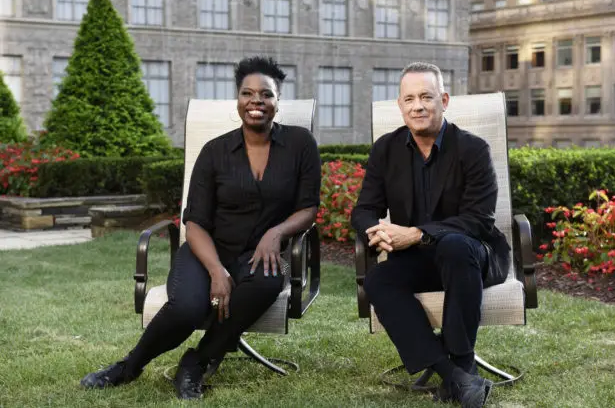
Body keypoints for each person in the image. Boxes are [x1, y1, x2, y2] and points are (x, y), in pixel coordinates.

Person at [80, 56, 321, 400]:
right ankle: (129, 366)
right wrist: (216, 271)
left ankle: (196, 362)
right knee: (187, 307)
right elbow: (194, 223)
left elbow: (308, 208)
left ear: (277, 101)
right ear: (237, 99)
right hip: (205, 249)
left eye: (266, 94)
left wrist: (276, 233)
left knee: (266, 283)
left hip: (258, 254)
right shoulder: (214, 152)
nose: (256, 101)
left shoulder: (300, 145)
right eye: (247, 93)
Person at [351, 62, 511, 408]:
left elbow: (479, 220)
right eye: (409, 99)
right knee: (379, 279)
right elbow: (364, 209)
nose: (417, 106)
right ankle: (455, 377)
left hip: (472, 255)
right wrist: (377, 232)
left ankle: (462, 360)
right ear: (400, 106)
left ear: (444, 100)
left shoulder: (473, 149)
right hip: (418, 260)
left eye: (426, 96)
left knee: (453, 245)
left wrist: (418, 234)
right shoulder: (386, 149)